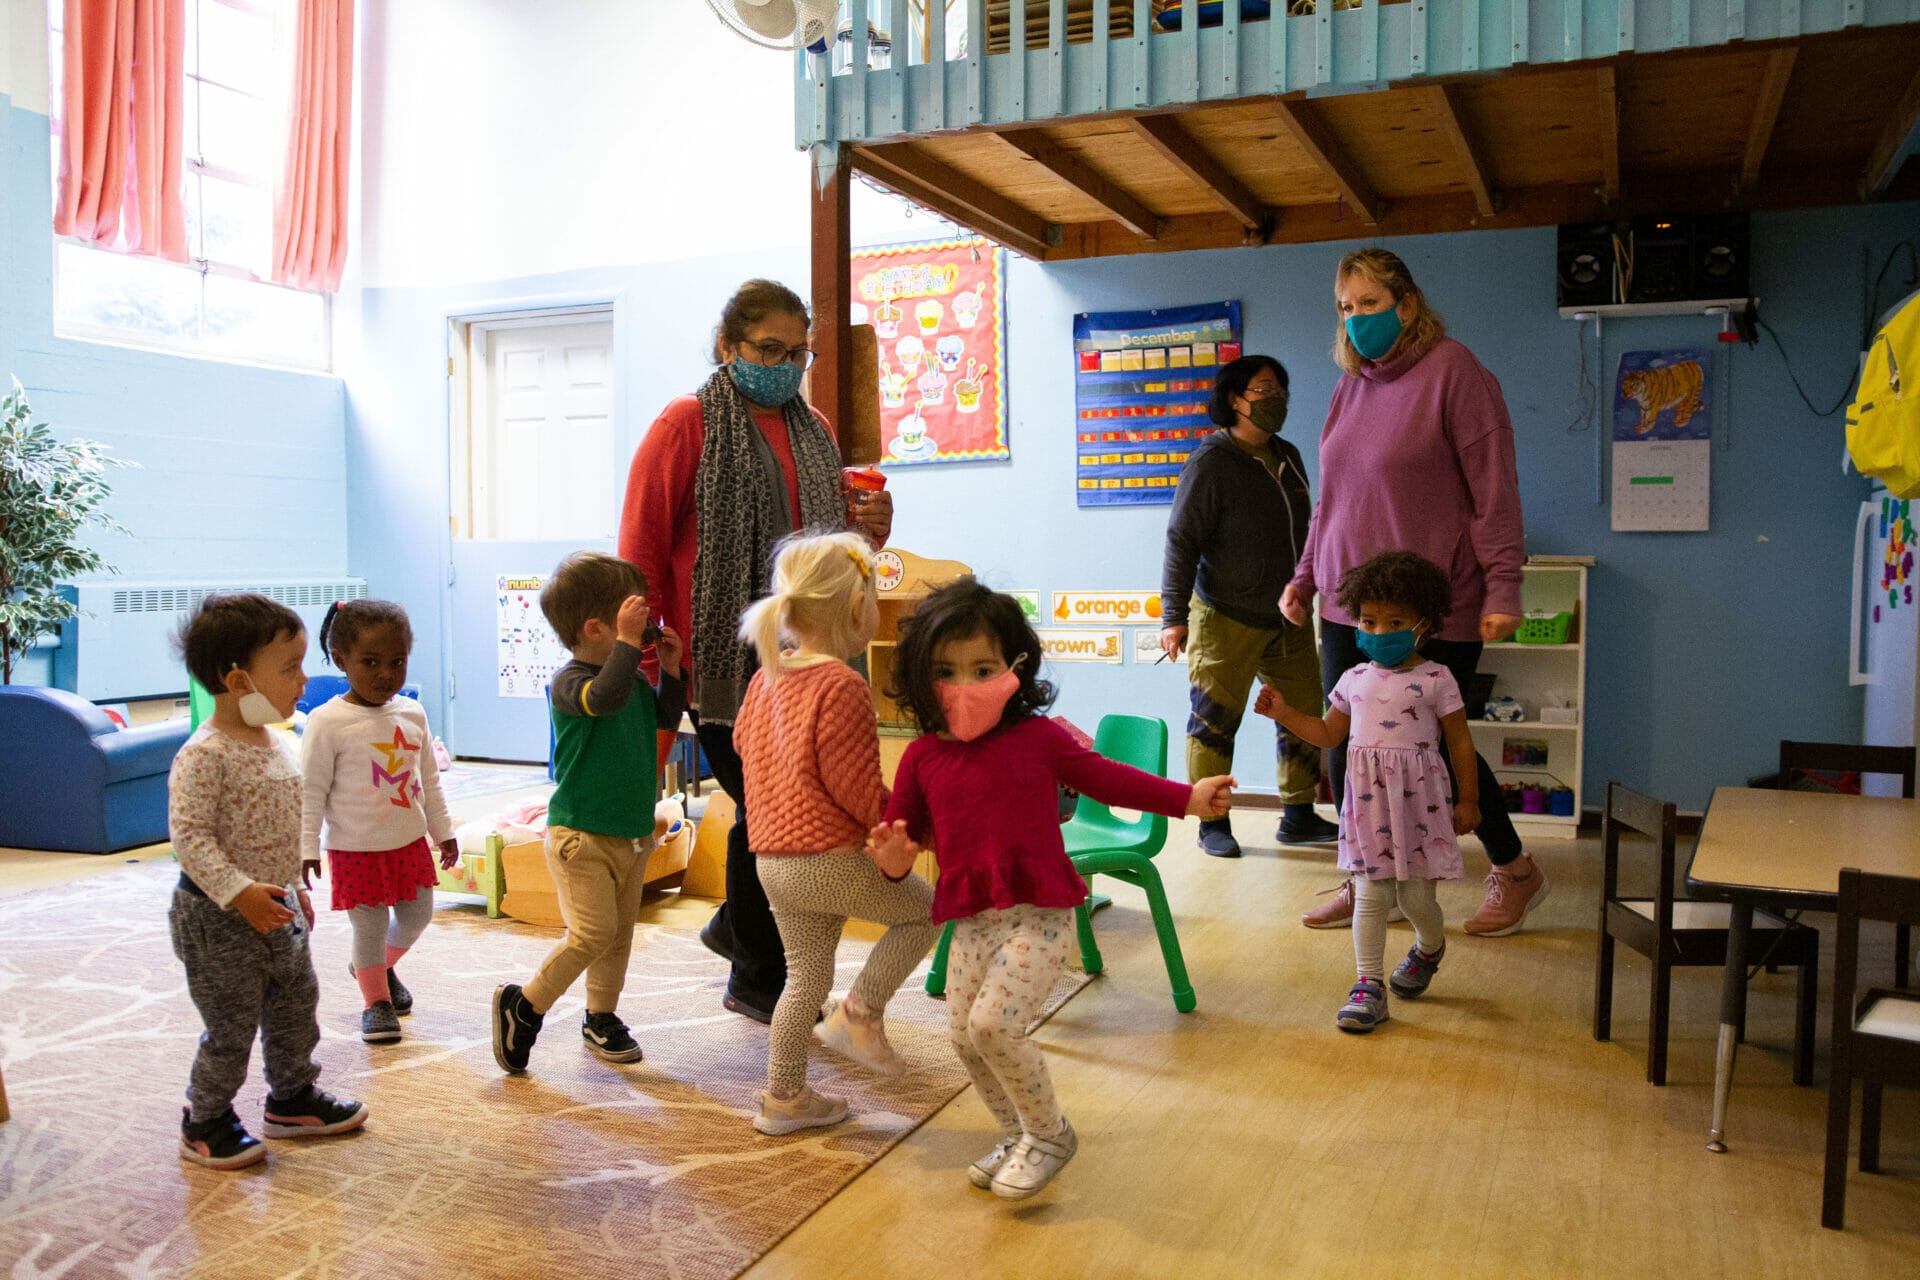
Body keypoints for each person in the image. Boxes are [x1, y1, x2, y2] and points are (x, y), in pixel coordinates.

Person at [870, 580, 1236, 1199]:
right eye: (945, 671)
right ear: (918, 677)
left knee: (992, 1027)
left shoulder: (1039, 740)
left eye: (982, 668)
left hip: (1039, 914)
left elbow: (1110, 779)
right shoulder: (921, 758)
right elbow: (904, 839)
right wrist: (895, 861)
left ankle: (1050, 1133)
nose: (965, 685)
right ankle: (1020, 1136)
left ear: (1016, 667)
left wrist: (1187, 799)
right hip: (974, 918)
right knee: (962, 1036)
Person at [620, 279, 894, 1024]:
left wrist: (874, 524)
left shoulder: (816, 431)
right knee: (769, 812)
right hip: (717, 661)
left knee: (766, 814)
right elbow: (641, 545)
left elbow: (832, 554)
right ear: (727, 346)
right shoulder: (685, 424)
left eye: (797, 352)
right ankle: (758, 975)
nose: (785, 365)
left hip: (804, 658)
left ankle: (738, 936)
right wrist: (648, 659)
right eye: (769, 350)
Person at [1282, 247, 1548, 936]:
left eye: (1369, 303)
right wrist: (1305, 576)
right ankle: (1370, 878)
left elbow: (1495, 492)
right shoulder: (1350, 387)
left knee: (1428, 743)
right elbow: (1331, 501)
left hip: (1433, 603)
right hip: (1347, 601)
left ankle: (1516, 871)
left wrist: (1503, 588)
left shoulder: (1454, 372)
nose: (1356, 319)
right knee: (1348, 743)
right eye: (1346, 307)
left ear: (1406, 303)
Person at [733, 530, 939, 1135]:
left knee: (805, 977)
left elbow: (747, 750)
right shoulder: (842, 684)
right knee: (924, 910)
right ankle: (862, 1011)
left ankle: (784, 1097)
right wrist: (904, 828)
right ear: (857, 608)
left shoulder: (765, 676)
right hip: (825, 857)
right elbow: (854, 790)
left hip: (771, 858)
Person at [168, 594, 368, 1170]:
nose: (304, 679)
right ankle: (204, 1118)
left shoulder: (275, 740)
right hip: (218, 918)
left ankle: (291, 1098)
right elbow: (191, 839)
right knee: (231, 1026)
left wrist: (289, 883)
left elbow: (274, 821)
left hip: (278, 907)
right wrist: (240, 892)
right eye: (289, 668)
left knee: (295, 1005)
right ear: (237, 681)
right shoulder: (205, 754)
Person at [1256, 553, 1475, 1032]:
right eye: (1369, 621)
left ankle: (1429, 947)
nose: (1379, 632)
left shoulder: (1437, 679)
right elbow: (1329, 734)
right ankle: (1369, 987)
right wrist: (1285, 714)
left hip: (1421, 803)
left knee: (1417, 901)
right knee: (1371, 896)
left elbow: (1460, 741)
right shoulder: (1353, 679)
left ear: (1424, 624)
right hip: (1368, 807)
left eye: (1394, 622)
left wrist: (1470, 799)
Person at [491, 553, 685, 1074]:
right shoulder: (570, 682)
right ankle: (524, 1006)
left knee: (618, 937)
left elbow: (665, 715)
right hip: (581, 836)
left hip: (630, 834)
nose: (644, 624)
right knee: (591, 935)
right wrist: (629, 644)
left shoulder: (635, 681)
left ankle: (601, 1016)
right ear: (597, 628)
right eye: (632, 616)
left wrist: (669, 672)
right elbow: (604, 697)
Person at [1159, 353, 1340, 858]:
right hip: (1224, 614)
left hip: (1289, 613)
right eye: (1262, 391)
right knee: (1214, 720)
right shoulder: (1211, 462)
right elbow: (1181, 540)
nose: (1274, 399)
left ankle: (1299, 814)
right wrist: (1172, 616)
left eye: (1279, 390)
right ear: (1234, 400)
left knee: (1303, 711)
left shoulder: (1289, 454)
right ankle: (1212, 821)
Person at [299, 599, 459, 1045]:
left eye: (396, 661)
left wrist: (442, 832)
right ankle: (376, 1001)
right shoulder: (327, 722)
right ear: (340, 660)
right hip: (354, 848)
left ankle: (376, 968)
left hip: (407, 841)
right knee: (367, 927)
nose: (385, 674)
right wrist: (306, 846)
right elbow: (310, 791)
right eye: (369, 662)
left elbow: (428, 779)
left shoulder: (412, 714)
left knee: (416, 916)